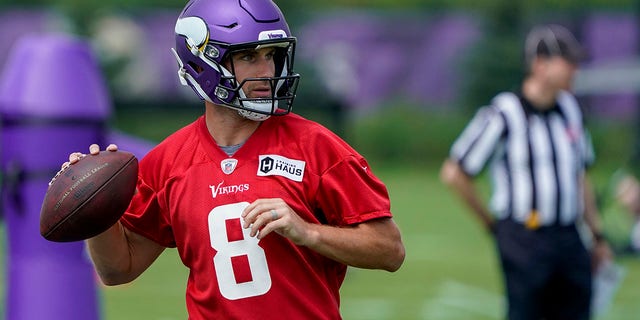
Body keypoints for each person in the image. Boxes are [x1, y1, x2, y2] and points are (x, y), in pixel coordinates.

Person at [63, 0, 405, 319]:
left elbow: (389, 250)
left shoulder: (316, 147)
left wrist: (308, 232)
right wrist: (98, 207)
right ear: (203, 62)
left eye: (272, 55)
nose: (267, 70)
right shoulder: (167, 161)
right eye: (248, 57)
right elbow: (118, 270)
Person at [440, 24, 612, 320]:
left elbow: (580, 175)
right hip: (525, 235)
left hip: (569, 236)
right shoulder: (504, 113)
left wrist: (596, 235)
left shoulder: (570, 108)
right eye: (567, 61)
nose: (575, 69)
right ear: (540, 64)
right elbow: (454, 172)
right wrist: (494, 226)